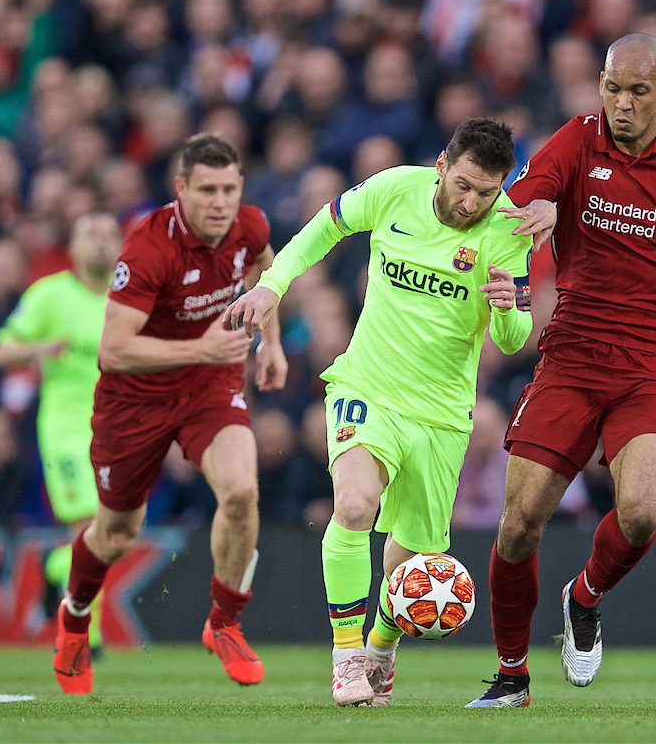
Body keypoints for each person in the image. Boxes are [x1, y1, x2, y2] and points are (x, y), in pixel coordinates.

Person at [467, 33, 656, 708]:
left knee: (639, 515)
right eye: (612, 88)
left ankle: (584, 597)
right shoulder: (578, 140)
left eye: (639, 92)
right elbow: (526, 192)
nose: (623, 104)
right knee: (520, 522)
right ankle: (512, 675)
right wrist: (541, 206)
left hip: (655, 362)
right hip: (574, 356)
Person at [225, 118, 534, 707]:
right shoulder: (395, 188)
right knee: (355, 503)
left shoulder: (509, 229)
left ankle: (380, 651)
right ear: (443, 165)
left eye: (486, 192)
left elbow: (518, 335)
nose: (471, 202)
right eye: (464, 184)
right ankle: (346, 658)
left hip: (442, 414)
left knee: (412, 555)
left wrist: (507, 309)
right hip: (367, 384)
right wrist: (273, 284)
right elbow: (325, 228)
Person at [52, 133, 287, 694]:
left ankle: (225, 621)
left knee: (240, 492)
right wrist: (201, 348)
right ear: (180, 189)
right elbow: (114, 350)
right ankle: (76, 617)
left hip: (209, 386)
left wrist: (270, 341)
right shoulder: (148, 248)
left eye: (229, 189)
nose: (220, 202)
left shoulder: (249, 225)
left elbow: (264, 267)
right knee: (116, 531)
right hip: (134, 399)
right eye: (206, 189)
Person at [0, 212, 121, 654]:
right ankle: (91, 635)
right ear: (74, 248)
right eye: (90, 235)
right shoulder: (48, 296)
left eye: (108, 235)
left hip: (117, 429)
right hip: (65, 430)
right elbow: (1, 351)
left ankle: (56, 568)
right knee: (90, 526)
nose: (101, 244)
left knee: (114, 532)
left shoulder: (129, 302)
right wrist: (39, 348)